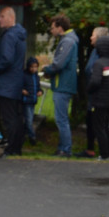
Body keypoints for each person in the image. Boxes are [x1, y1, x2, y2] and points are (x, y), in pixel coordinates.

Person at [0, 6, 28, 158]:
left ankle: (10, 149)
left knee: (9, 118)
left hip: (6, 83)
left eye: (2, 16)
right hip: (16, 81)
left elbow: (6, 59)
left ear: (10, 17)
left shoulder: (9, 36)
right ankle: (16, 148)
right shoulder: (20, 36)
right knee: (17, 117)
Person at [41, 14, 79, 158]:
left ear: (60, 28)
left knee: (61, 119)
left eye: (52, 28)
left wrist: (46, 68)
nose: (51, 31)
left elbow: (59, 64)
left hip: (63, 85)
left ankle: (65, 149)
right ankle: (63, 147)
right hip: (63, 83)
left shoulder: (67, 42)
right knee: (61, 118)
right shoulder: (69, 40)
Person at [77, 26, 109, 158]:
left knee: (101, 125)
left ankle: (105, 154)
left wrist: (91, 87)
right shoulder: (94, 51)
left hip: (100, 96)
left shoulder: (104, 56)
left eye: (93, 35)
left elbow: (96, 75)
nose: (90, 37)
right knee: (91, 122)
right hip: (94, 95)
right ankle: (91, 149)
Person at [85, 35, 109, 160]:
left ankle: (104, 154)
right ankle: (108, 153)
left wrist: (88, 90)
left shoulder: (99, 63)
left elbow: (95, 81)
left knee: (99, 128)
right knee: (106, 126)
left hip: (99, 100)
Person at [21, 57, 43, 145]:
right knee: (29, 120)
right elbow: (20, 85)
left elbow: (38, 87)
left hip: (33, 100)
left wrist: (40, 91)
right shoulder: (24, 75)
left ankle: (24, 136)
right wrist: (22, 90)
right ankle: (32, 137)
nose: (33, 69)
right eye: (32, 67)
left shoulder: (36, 77)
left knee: (28, 120)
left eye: (35, 67)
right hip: (26, 100)